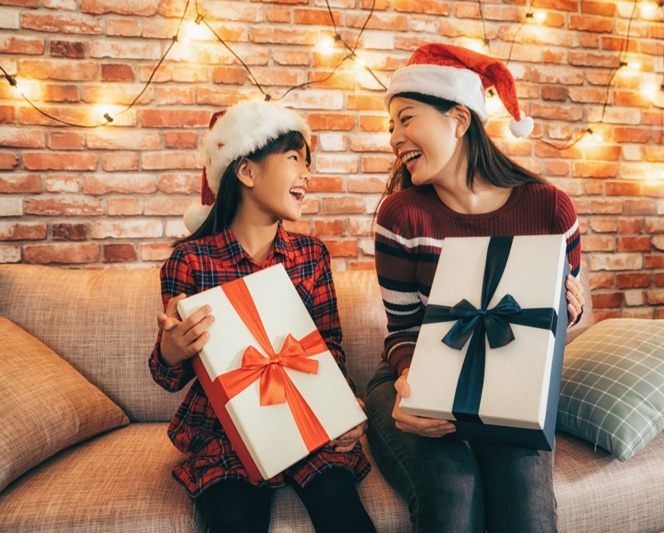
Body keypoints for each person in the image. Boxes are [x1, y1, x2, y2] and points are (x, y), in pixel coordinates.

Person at [364, 43, 586, 532]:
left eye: (405, 119)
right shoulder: (401, 216)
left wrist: (569, 307)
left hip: (509, 390)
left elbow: (547, 330)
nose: (394, 138)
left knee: (523, 492)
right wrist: (410, 388)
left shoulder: (551, 210)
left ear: (459, 119)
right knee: (453, 483)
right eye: (390, 127)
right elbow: (403, 331)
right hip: (413, 379)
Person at [148, 101, 376, 533]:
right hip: (225, 429)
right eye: (294, 159)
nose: (306, 175)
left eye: (308, 164)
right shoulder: (190, 262)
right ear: (246, 172)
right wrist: (171, 350)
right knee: (233, 519)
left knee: (342, 511)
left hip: (308, 418)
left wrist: (344, 411)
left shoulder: (311, 255)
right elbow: (168, 376)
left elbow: (329, 348)